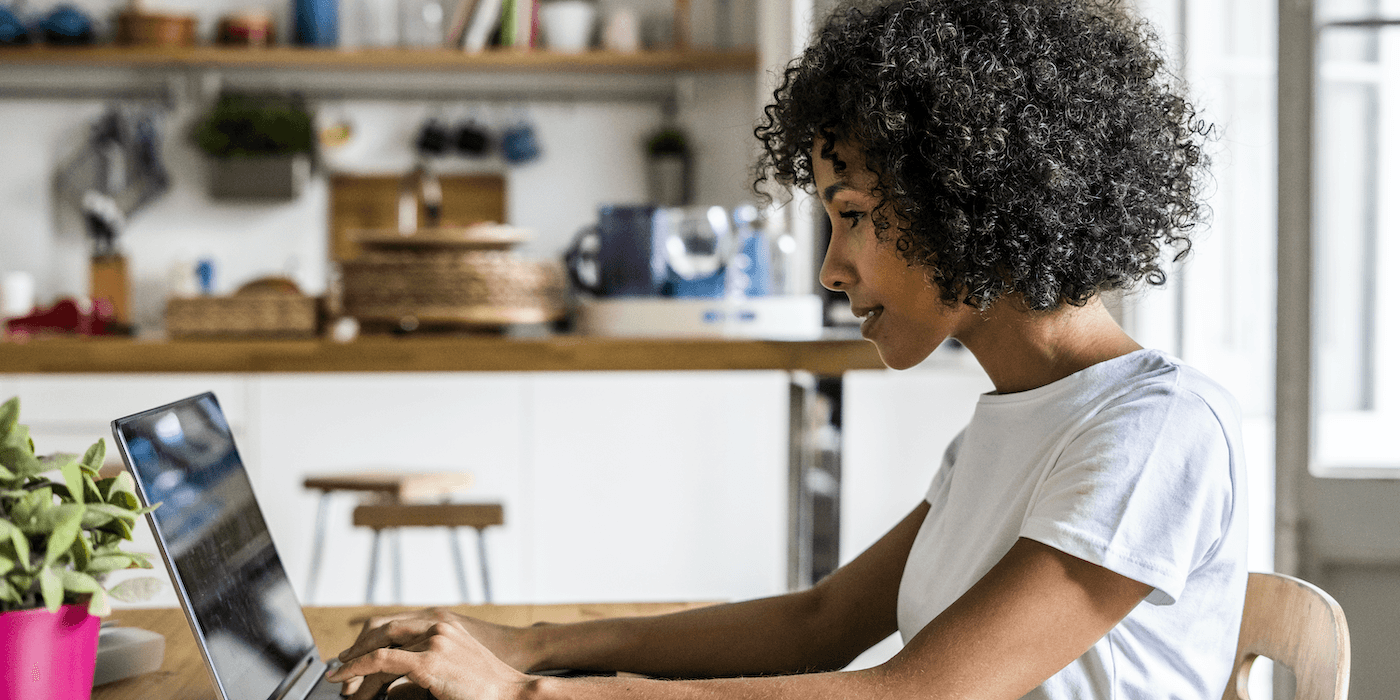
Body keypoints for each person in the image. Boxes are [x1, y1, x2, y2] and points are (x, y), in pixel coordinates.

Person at [327, 0, 1248, 698]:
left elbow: (911, 694)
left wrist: (526, 695)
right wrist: (531, 646)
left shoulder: (1156, 430)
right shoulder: (1005, 429)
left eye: (853, 217)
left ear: (971, 199)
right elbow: (822, 622)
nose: (831, 269)